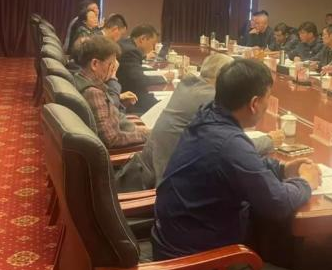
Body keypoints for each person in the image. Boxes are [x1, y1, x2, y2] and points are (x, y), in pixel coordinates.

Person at [153, 59, 332, 270]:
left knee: (283, 243)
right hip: (197, 266)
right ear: (254, 104)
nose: (268, 104)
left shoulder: (208, 117)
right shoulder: (229, 142)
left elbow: (244, 164)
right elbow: (277, 203)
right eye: (268, 98)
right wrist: (306, 182)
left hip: (181, 243)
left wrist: (283, 169)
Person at [115, 54, 280, 192]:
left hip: (149, 172)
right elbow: (233, 148)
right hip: (167, 187)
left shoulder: (188, 85)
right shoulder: (211, 99)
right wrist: (269, 141)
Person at [72, 36, 149, 149]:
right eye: (111, 64)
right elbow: (112, 139)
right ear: (95, 64)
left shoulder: (79, 78)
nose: (113, 69)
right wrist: (145, 136)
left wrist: (137, 130)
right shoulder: (93, 93)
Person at [117, 24, 174, 114]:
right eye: (152, 44)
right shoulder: (131, 51)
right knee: (163, 108)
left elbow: (133, 70)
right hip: (128, 98)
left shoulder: (126, 43)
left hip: (125, 92)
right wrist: (163, 78)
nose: (153, 48)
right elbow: (137, 79)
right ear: (142, 39)